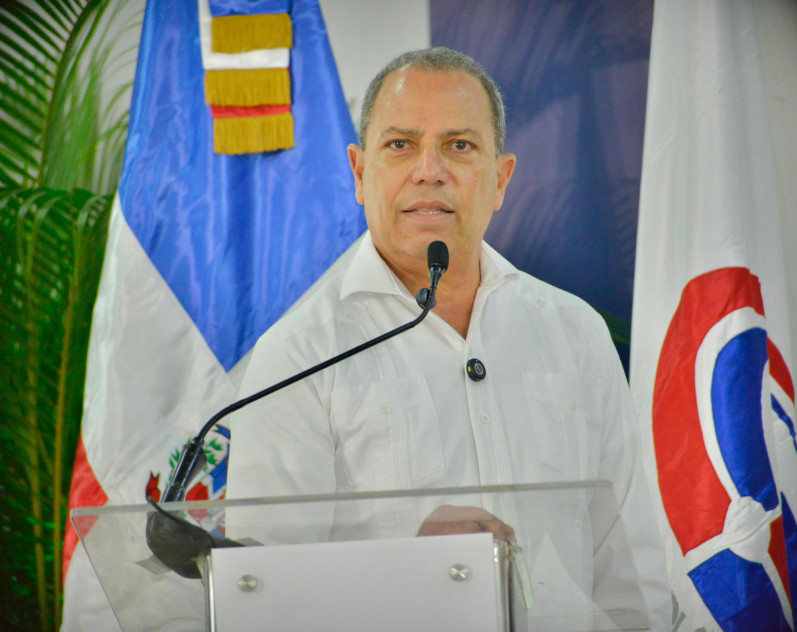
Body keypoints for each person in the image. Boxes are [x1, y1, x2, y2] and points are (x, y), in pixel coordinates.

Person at [227, 47, 669, 629]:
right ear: (360, 173)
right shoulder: (301, 354)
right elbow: (261, 598)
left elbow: (629, 570)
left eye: (459, 145)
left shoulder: (574, 331)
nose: (429, 169)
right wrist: (410, 572)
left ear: (501, 178)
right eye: (400, 144)